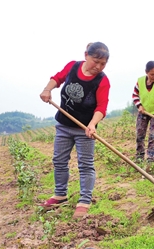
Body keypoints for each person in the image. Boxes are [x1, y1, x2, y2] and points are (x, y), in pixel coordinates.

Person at [39, 42, 110, 218]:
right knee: (59, 160)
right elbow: (57, 78)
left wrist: (92, 124)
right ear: (86, 55)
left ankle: (84, 200)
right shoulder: (73, 66)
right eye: (96, 61)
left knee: (85, 165)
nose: (99, 67)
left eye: (103, 64)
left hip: (85, 129)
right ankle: (60, 194)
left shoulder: (102, 80)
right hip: (64, 125)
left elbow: (101, 107)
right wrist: (47, 89)